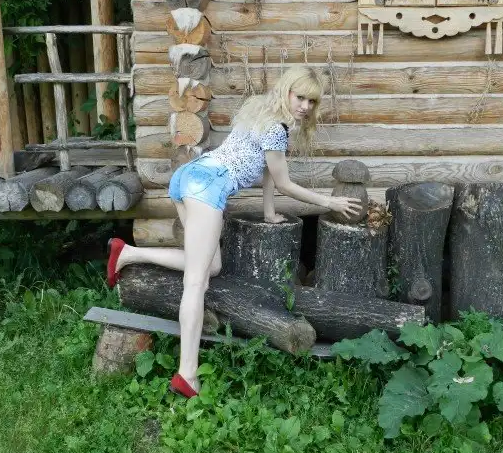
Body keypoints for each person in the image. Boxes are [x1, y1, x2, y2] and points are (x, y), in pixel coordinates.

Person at [105, 66, 362, 398]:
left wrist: (268, 213)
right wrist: (329, 201)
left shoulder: (261, 109)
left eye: (312, 101)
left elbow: (269, 170)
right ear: (286, 90)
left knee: (210, 267)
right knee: (196, 283)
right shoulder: (276, 129)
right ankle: (187, 374)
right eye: (300, 97)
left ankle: (127, 253)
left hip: (190, 176)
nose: (305, 106)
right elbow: (284, 182)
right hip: (207, 187)